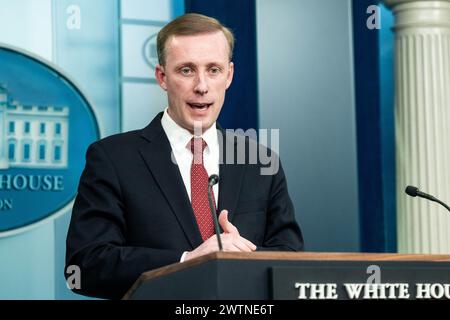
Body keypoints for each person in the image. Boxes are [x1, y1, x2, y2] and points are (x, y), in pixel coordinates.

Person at [65, 13, 303, 300]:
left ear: (229, 75)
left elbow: (292, 261)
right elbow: (84, 266)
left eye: (213, 70)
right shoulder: (113, 158)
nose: (201, 86)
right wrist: (187, 260)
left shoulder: (260, 161)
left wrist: (239, 257)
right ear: (162, 77)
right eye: (187, 70)